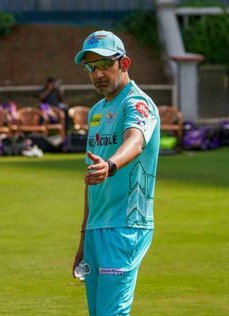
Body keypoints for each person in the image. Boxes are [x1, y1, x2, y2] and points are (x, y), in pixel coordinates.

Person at [72, 30, 160, 316]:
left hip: (126, 225)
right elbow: (91, 177)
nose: (97, 73)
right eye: (90, 67)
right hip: (98, 228)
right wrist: (84, 235)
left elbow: (134, 140)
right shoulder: (96, 110)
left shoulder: (137, 103)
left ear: (124, 63)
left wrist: (110, 166)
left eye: (104, 65)